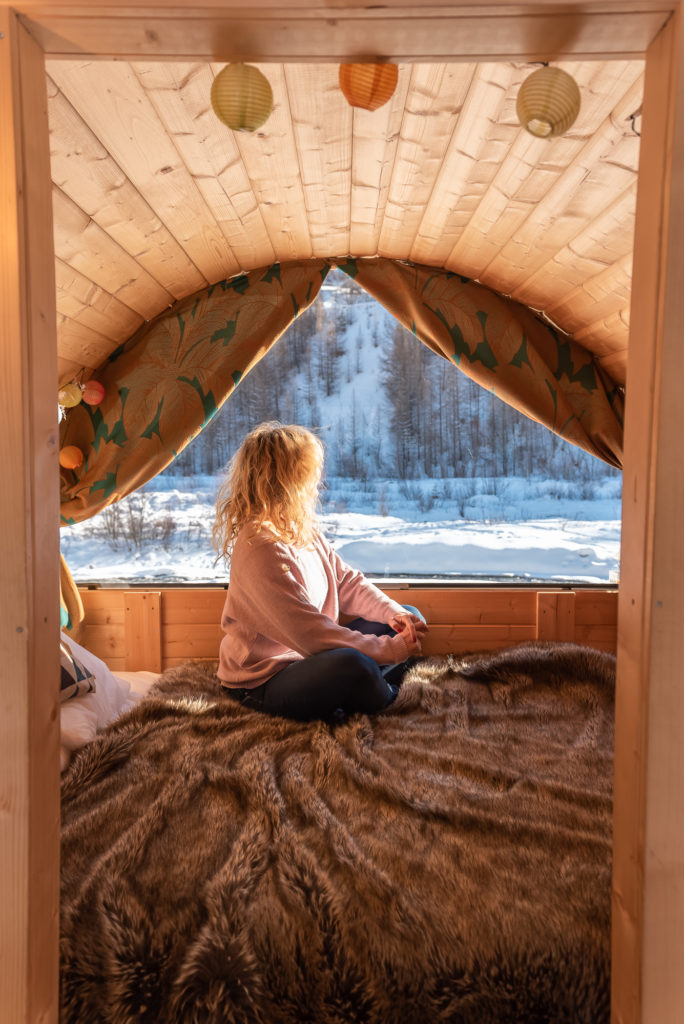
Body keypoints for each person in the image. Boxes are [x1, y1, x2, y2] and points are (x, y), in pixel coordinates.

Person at [213, 421, 427, 721]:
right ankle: (388, 698)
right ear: (286, 478)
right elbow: (310, 635)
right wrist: (389, 650)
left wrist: (393, 614)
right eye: (309, 471)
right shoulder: (259, 546)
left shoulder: (299, 527)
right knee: (353, 665)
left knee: (410, 614)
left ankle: (361, 688)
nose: (318, 479)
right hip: (264, 681)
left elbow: (346, 582)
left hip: (311, 658)